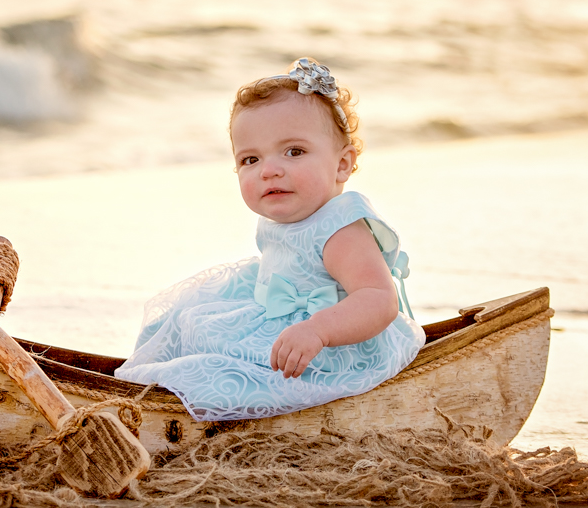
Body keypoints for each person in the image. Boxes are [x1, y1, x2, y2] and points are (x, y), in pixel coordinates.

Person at [113, 58, 425, 421]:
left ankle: (205, 408)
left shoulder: (340, 229)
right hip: (269, 313)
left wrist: (318, 331)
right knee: (181, 320)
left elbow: (378, 299)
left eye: (294, 151)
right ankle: (152, 389)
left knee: (228, 372)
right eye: (250, 159)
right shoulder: (285, 214)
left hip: (330, 345)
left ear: (342, 165)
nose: (269, 169)